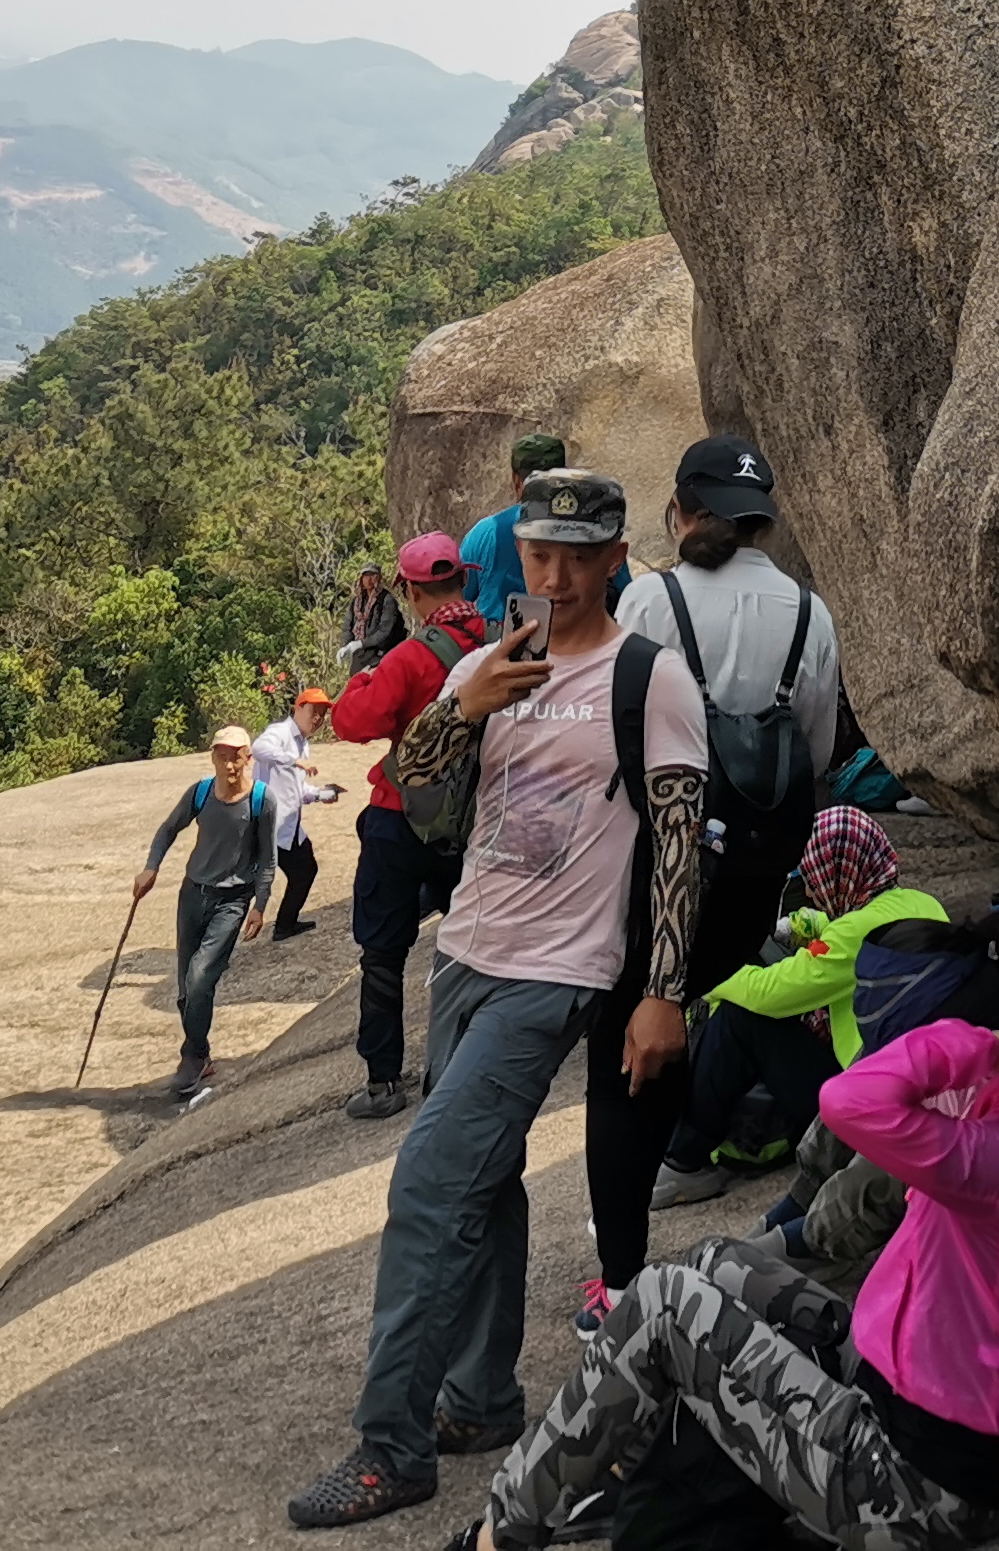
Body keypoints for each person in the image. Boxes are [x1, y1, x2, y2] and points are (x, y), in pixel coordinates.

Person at [287, 470, 713, 1533]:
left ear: (615, 560)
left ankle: (392, 1449)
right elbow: (416, 776)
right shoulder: (488, 662)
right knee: (488, 1180)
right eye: (539, 554)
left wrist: (665, 992)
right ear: (517, 556)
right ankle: (479, 1399)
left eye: (579, 556)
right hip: (466, 951)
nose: (556, 576)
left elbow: (676, 842)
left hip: (559, 971)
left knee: (431, 1184)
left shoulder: (650, 678)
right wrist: (465, 704)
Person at [445, 973, 999, 1551]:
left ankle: (502, 1534)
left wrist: (981, 1047)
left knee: (661, 1305)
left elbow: (848, 1101)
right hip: (906, 1399)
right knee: (718, 1261)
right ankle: (619, 1473)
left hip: (914, 1488)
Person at [579, 437, 845, 1309]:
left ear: (681, 512)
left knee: (626, 1051)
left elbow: (614, 729)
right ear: (762, 519)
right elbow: (815, 749)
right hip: (754, 874)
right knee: (705, 1004)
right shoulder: (809, 612)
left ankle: (621, 1278)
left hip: (656, 862)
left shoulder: (651, 599)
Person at [652, 806, 935, 1211]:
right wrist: (801, 926)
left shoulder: (853, 934)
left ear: (837, 873)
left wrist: (709, 978)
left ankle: (685, 1161)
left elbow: (773, 992)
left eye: (815, 879)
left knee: (740, 1018)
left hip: (863, 1098)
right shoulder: (920, 904)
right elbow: (838, 930)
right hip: (914, 1080)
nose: (814, 891)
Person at [328, 536, 492, 1118]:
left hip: (399, 815)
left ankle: (382, 1084)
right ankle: (477, 1057)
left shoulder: (408, 658)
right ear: (463, 581)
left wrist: (362, 680)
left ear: (411, 591)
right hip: (474, 819)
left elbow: (351, 723)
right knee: (479, 943)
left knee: (383, 951)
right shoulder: (499, 642)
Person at [133, 724, 271, 1094]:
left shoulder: (261, 800)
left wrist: (260, 905)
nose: (229, 766)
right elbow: (167, 829)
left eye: (236, 758)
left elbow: (267, 859)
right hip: (193, 894)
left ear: (248, 758)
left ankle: (191, 1056)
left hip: (232, 900)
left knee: (200, 977)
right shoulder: (201, 793)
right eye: (222, 757)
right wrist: (151, 867)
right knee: (185, 988)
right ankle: (202, 1053)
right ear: (213, 758)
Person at [253, 690, 343, 942]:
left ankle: (285, 924)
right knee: (253, 883)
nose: (317, 719)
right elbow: (258, 748)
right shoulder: (280, 732)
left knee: (305, 870)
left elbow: (297, 789)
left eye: (322, 715)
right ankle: (280, 925)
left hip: (289, 826)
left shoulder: (303, 744)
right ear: (298, 707)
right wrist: (293, 761)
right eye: (314, 711)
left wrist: (320, 794)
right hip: (270, 825)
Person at [455, 433, 567, 629]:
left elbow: (457, 599)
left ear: (516, 480)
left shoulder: (486, 532)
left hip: (496, 642)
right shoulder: (588, 534)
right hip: (570, 640)